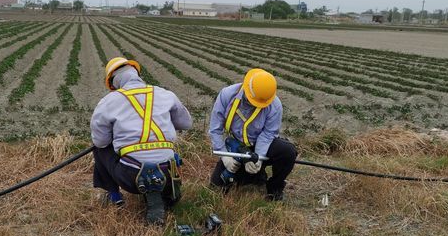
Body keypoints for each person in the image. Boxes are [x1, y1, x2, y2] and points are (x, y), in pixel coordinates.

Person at [90, 57, 192, 225]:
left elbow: (100, 141)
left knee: (99, 148)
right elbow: (186, 123)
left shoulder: (108, 102)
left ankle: (114, 196)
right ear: (137, 73)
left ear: (113, 82)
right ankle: (167, 191)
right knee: (168, 152)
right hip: (168, 171)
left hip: (130, 176)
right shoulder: (165, 94)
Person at [209, 68, 297, 201]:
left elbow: (268, 134)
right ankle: (250, 177)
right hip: (236, 146)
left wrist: (259, 159)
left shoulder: (275, 105)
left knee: (288, 152)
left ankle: (274, 188)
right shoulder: (227, 95)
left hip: (261, 144)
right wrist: (225, 156)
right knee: (216, 189)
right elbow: (215, 130)